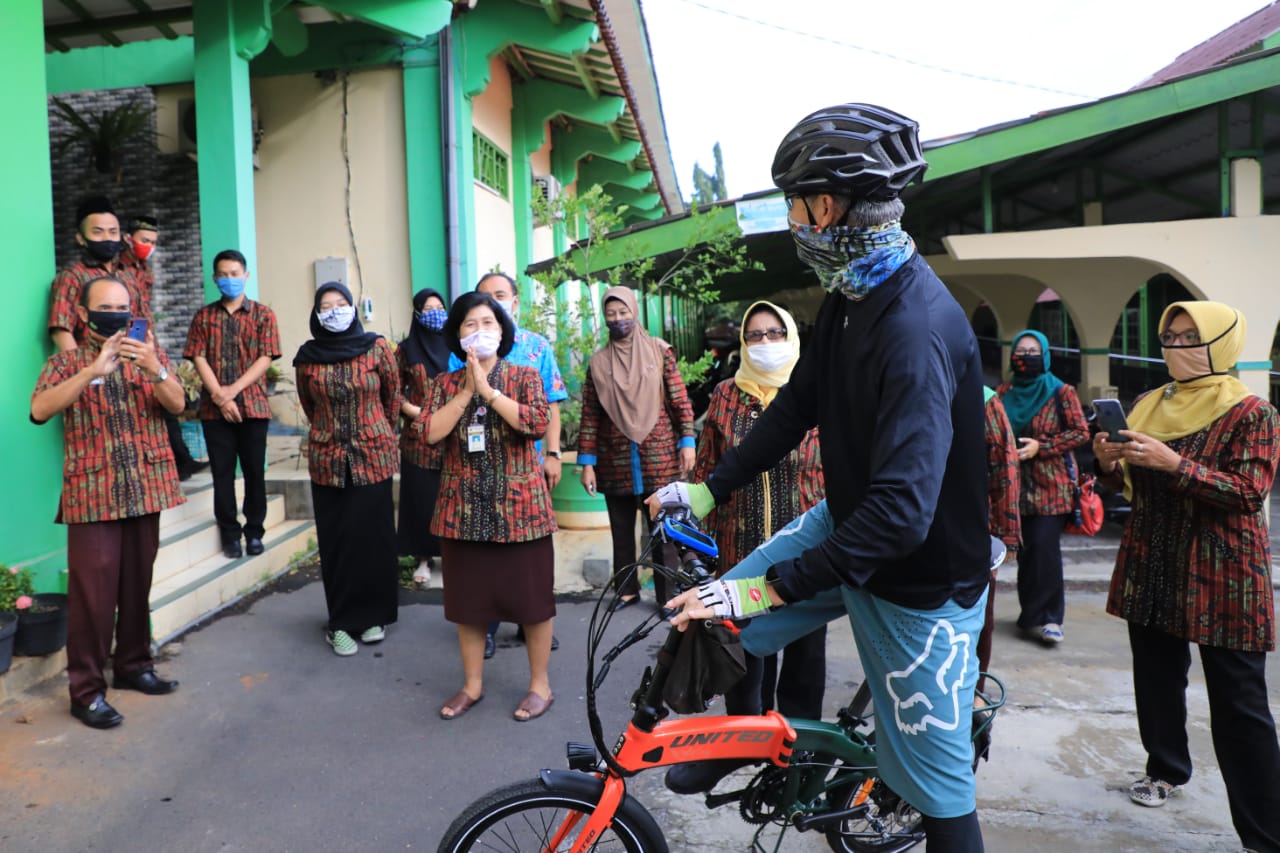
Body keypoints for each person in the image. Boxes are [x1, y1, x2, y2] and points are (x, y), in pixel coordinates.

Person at [651, 103, 992, 850]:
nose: (792, 220)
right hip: (849, 524)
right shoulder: (852, 292)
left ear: (829, 208)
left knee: (941, 799)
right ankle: (742, 737)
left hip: (920, 582)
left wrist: (772, 586)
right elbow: (797, 406)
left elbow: (903, 515)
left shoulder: (915, 331)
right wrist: (709, 488)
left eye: (796, 204)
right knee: (716, 616)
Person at [1092, 301, 1280, 851]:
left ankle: (1266, 835)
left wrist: (1175, 464)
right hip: (1153, 559)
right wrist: (1109, 462)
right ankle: (1166, 769)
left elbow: (1248, 493)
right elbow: (1129, 486)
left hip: (1224, 573)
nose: (1175, 346)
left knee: (1240, 705)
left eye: (1190, 337)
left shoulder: (1252, 413)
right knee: (1156, 681)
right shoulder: (1150, 404)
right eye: (1170, 336)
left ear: (1221, 342)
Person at [665, 300, 825, 795]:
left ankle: (797, 758)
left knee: (804, 656)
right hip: (741, 547)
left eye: (775, 333)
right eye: (754, 335)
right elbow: (709, 472)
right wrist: (696, 538)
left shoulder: (817, 391)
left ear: (792, 336)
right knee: (743, 657)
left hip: (806, 551)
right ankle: (741, 746)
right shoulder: (726, 396)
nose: (765, 343)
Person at [30, 275, 185, 729]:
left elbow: (177, 404)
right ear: (83, 313)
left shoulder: (150, 356)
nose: (115, 315)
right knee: (92, 599)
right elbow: (39, 410)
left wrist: (154, 368)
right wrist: (90, 372)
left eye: (123, 307)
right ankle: (86, 692)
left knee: (138, 586)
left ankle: (134, 665)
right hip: (92, 494)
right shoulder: (66, 363)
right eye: (106, 307)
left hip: (145, 487)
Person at [416, 291, 557, 722]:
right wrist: (466, 392)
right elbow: (428, 433)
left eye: (488, 323)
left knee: (532, 603)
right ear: (457, 335)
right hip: (462, 511)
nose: (480, 331)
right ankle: (472, 685)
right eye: (470, 324)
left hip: (521, 511)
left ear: (503, 330)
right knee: (470, 606)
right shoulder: (443, 385)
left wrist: (490, 393)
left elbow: (536, 422)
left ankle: (540, 686)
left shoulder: (524, 376)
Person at [448, 272, 567, 658]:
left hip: (525, 467)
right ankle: (485, 628)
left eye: (499, 296)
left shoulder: (535, 347)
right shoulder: (461, 351)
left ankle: (531, 625)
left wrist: (553, 454)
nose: (491, 303)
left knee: (525, 560)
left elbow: (551, 403)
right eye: (484, 297)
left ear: (514, 302)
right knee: (482, 559)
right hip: (475, 470)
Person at [294, 282, 401, 657]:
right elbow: (309, 406)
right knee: (337, 542)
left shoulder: (377, 348)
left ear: (353, 308)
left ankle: (373, 617)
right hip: (328, 461)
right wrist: (331, 433)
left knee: (374, 538)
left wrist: (378, 432)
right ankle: (340, 623)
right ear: (316, 313)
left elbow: (392, 397)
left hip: (373, 456)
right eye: (326, 305)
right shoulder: (307, 358)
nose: (335, 310)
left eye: (341, 303)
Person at [578, 286, 696, 612]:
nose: (618, 319)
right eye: (611, 314)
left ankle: (668, 596)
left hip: (659, 456)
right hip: (614, 459)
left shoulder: (659, 351)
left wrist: (687, 441)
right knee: (621, 531)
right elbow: (590, 415)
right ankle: (626, 591)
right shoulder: (599, 363)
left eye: (623, 312)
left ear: (635, 312)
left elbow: (679, 399)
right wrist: (587, 463)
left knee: (664, 529)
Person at [184, 249, 282, 559]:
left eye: (235, 274)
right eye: (223, 275)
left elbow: (266, 358)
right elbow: (198, 356)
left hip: (253, 407)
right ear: (215, 278)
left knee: (254, 472)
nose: (229, 279)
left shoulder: (264, 315)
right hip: (214, 411)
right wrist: (219, 395)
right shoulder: (203, 317)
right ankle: (230, 535)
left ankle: (254, 532)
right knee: (222, 474)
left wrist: (232, 391)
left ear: (246, 276)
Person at [995, 330, 1089, 646]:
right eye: (1021, 351)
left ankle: (1050, 618)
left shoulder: (1061, 392)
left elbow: (1080, 432)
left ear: (1046, 355)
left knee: (1044, 550)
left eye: (1033, 351)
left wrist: (1042, 447)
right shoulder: (1003, 392)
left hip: (1051, 488)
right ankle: (1030, 615)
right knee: (1026, 553)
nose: (1026, 357)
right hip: (1013, 488)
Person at [47, 196, 150, 353]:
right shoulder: (72, 276)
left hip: (128, 362)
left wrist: (140, 360)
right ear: (80, 238)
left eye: (113, 232)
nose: (107, 238)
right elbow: (61, 330)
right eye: (98, 232)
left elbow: (140, 322)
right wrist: (80, 366)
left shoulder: (129, 276)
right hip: (91, 362)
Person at [398, 288, 451, 586]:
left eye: (439, 307)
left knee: (453, 497)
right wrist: (414, 411)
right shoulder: (406, 350)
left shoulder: (457, 345)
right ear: (417, 313)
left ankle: (454, 556)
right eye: (428, 309)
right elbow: (392, 390)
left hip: (455, 436)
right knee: (422, 499)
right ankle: (423, 557)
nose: (435, 314)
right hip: (418, 437)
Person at [977, 388, 1020, 698]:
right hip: (906, 532)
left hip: (970, 533)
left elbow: (1004, 468)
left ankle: (973, 696)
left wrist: (1006, 538)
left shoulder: (983, 400)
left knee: (976, 621)